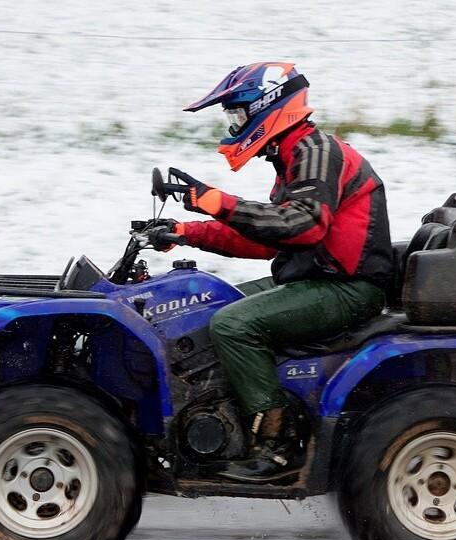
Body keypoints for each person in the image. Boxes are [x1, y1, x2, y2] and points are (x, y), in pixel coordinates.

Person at [148, 62, 394, 483]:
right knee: (209, 307)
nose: (233, 126)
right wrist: (187, 232)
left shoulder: (316, 152)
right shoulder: (294, 158)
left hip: (346, 288)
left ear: (267, 107)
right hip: (313, 278)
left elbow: (303, 223)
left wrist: (215, 201)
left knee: (233, 324)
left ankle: (276, 444)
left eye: (237, 115)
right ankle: (221, 420)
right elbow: (269, 239)